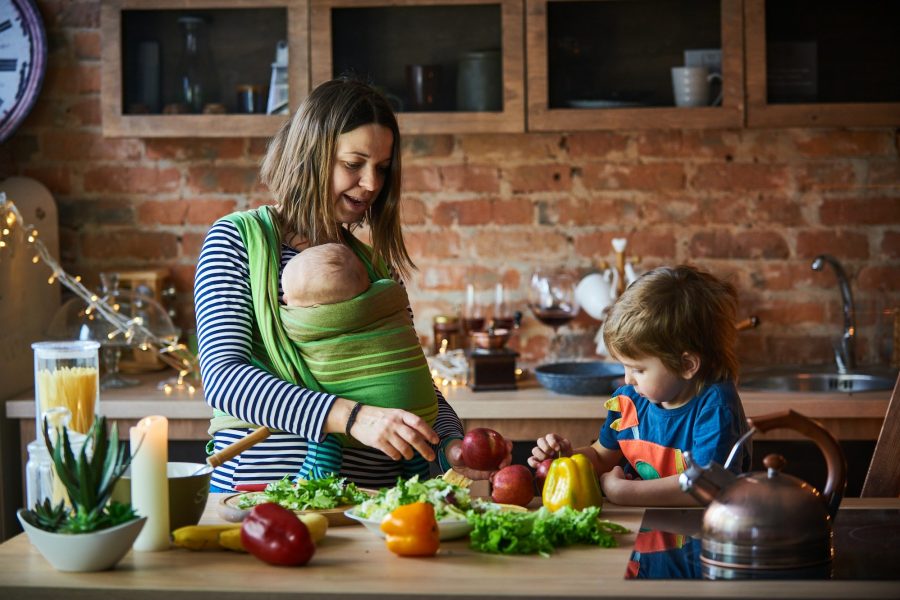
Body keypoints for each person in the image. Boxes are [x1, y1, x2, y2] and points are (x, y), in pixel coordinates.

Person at [195, 77, 509, 492]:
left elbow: (413, 382)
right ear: (311, 155)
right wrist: (354, 417)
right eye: (353, 164)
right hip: (266, 498)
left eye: (381, 168)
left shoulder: (376, 269)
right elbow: (225, 379)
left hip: (378, 508)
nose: (372, 184)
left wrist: (450, 443)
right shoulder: (238, 241)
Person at [528, 265, 751, 506]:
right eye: (624, 367)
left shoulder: (715, 405)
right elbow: (603, 457)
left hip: (702, 533)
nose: (627, 379)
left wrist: (623, 492)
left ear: (687, 365)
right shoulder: (629, 401)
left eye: (638, 369)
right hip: (642, 527)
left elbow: (708, 485)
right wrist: (566, 458)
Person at [279, 242, 437, 480]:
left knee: (323, 435)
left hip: (352, 437)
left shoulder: (307, 322)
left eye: (288, 297)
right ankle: (420, 479)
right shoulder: (387, 296)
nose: (285, 299)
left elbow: (287, 328)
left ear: (316, 309)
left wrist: (451, 438)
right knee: (415, 457)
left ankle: (317, 476)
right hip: (419, 413)